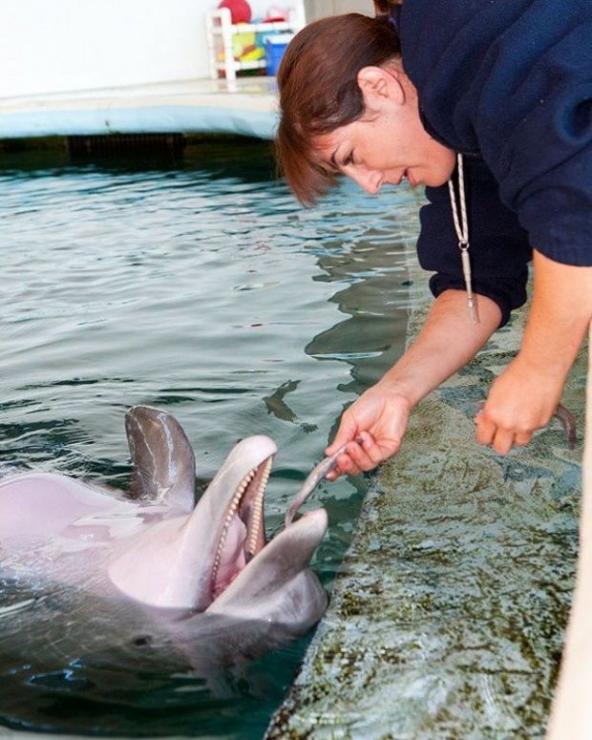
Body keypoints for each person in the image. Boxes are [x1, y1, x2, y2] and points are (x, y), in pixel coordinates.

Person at [274, 2, 592, 480]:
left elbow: (575, 211)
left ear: (378, 87)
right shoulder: (451, 127)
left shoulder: (474, 53)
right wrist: (395, 391)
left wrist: (538, 369)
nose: (370, 185)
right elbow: (474, 282)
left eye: (352, 156)